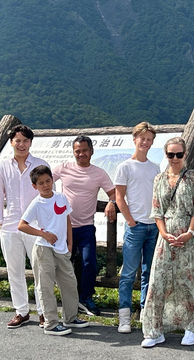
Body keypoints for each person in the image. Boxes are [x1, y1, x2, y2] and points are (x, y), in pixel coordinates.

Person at [140, 137, 194, 347]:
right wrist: (163, 234)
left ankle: (191, 327)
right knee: (158, 282)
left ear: (185, 155)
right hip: (166, 236)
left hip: (190, 236)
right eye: (171, 154)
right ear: (166, 155)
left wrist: (190, 232)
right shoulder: (159, 179)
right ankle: (155, 329)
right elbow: (157, 211)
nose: (175, 158)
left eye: (179, 154)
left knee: (190, 281)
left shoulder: (193, 177)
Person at [18, 165, 89, 336]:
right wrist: (43, 234)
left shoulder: (61, 197)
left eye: (48, 181)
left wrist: (70, 243)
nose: (46, 185)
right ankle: (50, 323)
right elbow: (22, 225)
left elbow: (67, 221)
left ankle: (70, 318)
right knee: (46, 286)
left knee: (70, 283)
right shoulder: (36, 203)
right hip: (43, 249)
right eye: (41, 183)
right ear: (34, 186)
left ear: (52, 180)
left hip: (62, 248)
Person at [52, 135, 117, 316]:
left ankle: (85, 298)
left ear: (91, 151)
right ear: (73, 152)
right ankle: (68, 299)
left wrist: (112, 202)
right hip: (64, 226)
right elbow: (45, 182)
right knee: (63, 262)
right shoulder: (64, 168)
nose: (81, 154)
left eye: (84, 151)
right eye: (77, 151)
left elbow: (113, 192)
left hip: (86, 226)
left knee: (89, 262)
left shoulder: (99, 173)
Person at [0, 124, 46, 329]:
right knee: (14, 270)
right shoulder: (3, 167)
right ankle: (21, 311)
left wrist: (48, 225)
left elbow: (49, 195)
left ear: (30, 142)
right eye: (18, 140)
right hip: (11, 225)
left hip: (36, 226)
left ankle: (43, 312)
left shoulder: (40, 164)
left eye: (25, 140)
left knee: (40, 270)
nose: (21, 144)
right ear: (11, 142)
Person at [114, 122, 161, 333]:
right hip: (136, 227)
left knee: (149, 272)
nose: (145, 142)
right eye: (142, 138)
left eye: (149, 139)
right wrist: (131, 221)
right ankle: (124, 315)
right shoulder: (125, 166)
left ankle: (145, 312)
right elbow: (119, 198)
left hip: (153, 226)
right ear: (135, 139)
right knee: (128, 273)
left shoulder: (155, 167)